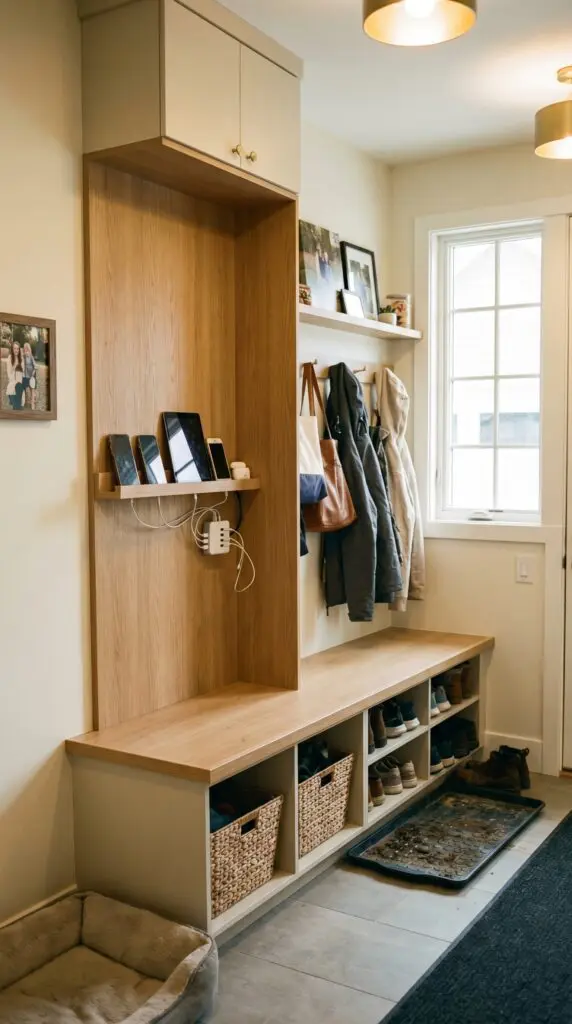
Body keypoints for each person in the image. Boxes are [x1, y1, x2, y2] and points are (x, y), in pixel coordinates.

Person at [5, 340, 24, 411]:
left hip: (19, 382)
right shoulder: (10, 358)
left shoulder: (21, 359)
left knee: (19, 388)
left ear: (19, 350)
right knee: (17, 404)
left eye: (17, 348)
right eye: (14, 348)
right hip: (12, 382)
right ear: (12, 349)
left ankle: (17, 408)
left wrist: (18, 381)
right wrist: (14, 382)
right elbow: (9, 373)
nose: (16, 350)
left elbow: (22, 372)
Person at [22, 341, 37, 410]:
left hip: (31, 375)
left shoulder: (31, 357)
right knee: (24, 388)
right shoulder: (23, 357)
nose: (26, 351)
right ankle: (25, 400)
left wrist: (33, 374)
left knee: (32, 389)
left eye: (27, 349)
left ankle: (32, 402)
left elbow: (35, 366)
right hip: (25, 376)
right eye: (25, 349)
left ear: (29, 349)